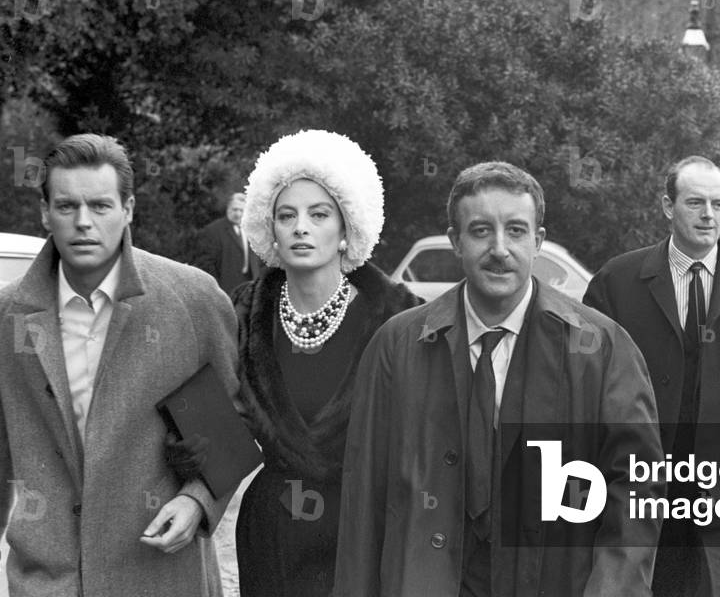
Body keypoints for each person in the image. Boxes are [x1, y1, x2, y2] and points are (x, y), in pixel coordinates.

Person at [337, 161, 664, 597]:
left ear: (538, 241)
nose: (499, 248)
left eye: (515, 230)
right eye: (480, 231)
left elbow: (636, 487)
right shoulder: (397, 346)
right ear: (455, 241)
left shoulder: (602, 348)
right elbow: (364, 497)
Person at [0, 134, 237, 596]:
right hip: (47, 581)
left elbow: (237, 419)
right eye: (66, 206)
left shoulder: (193, 300)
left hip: (162, 574)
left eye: (101, 206)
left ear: (129, 209)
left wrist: (197, 501)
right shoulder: (7, 316)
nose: (83, 222)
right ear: (45, 214)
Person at [226, 130, 419, 597]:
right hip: (270, 531)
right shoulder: (244, 313)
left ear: (346, 225)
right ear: (268, 226)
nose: (300, 228)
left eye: (319, 214)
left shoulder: (398, 319)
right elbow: (222, 424)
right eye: (286, 215)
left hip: (358, 530)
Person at [584, 156, 720, 597]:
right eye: (695, 202)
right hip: (638, 480)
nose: (708, 215)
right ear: (666, 206)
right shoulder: (616, 282)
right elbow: (587, 388)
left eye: (718, 203)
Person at [196, 192, 264, 294]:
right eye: (234, 209)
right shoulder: (213, 230)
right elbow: (206, 263)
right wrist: (215, 288)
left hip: (250, 286)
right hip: (225, 287)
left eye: (242, 210)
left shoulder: (252, 230)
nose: (238, 214)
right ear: (228, 208)